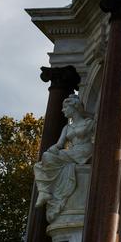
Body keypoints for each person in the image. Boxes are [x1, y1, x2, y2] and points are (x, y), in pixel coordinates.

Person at [34, 94, 94, 222]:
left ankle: (46, 191)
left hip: (84, 151)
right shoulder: (67, 127)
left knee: (49, 159)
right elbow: (60, 144)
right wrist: (53, 149)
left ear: (74, 108)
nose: (62, 110)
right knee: (40, 163)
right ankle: (44, 191)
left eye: (65, 108)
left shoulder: (88, 122)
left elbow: (85, 133)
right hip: (72, 152)